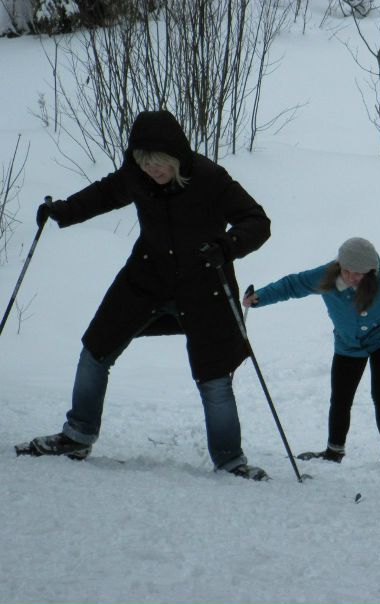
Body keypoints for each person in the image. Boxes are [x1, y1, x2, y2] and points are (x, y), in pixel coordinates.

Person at [16, 110, 273, 481]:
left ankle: (231, 461)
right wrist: (63, 210)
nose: (152, 170)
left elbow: (257, 221)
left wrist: (227, 245)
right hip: (145, 278)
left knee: (214, 376)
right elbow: (104, 193)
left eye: (159, 162)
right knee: (96, 349)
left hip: (204, 286)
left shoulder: (209, 178)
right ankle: (78, 436)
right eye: (144, 162)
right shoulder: (136, 176)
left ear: (176, 158)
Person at [243, 237, 380, 475]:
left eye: (357, 273)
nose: (350, 276)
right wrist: (260, 296)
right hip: (348, 343)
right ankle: (333, 452)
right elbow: (293, 285)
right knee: (341, 396)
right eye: (346, 270)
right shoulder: (326, 276)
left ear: (371, 272)